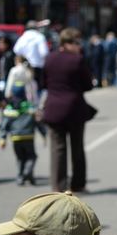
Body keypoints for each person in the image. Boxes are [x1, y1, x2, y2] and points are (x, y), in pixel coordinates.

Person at [42, 27, 96, 193]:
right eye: (77, 42)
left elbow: (43, 82)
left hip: (53, 109)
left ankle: (58, 186)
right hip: (74, 109)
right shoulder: (77, 60)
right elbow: (88, 85)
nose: (80, 46)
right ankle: (78, 184)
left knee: (57, 149)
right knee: (77, 147)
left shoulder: (49, 59)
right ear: (67, 43)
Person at [0, 71, 45, 185]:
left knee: (20, 158)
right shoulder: (30, 108)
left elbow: (5, 124)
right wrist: (44, 134)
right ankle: (26, 173)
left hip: (15, 137)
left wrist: (3, 138)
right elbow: (38, 123)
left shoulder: (10, 109)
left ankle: (22, 177)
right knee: (32, 157)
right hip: (28, 136)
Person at [13, 20, 49, 92]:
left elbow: (16, 50)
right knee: (37, 89)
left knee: (26, 88)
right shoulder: (40, 37)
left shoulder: (23, 37)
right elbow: (44, 53)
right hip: (37, 67)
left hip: (25, 66)